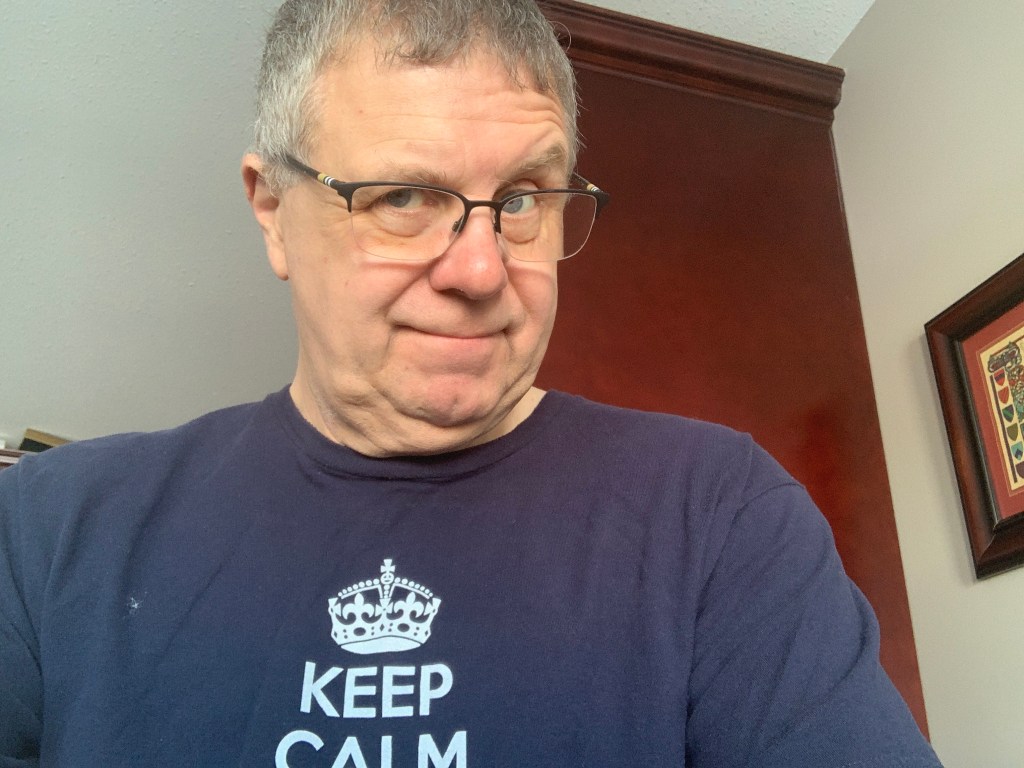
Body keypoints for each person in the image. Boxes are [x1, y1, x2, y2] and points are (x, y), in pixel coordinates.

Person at [0, 1, 942, 766]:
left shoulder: (719, 515)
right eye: (404, 197)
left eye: (523, 197)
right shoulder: (49, 531)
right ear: (274, 210)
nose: (483, 270)